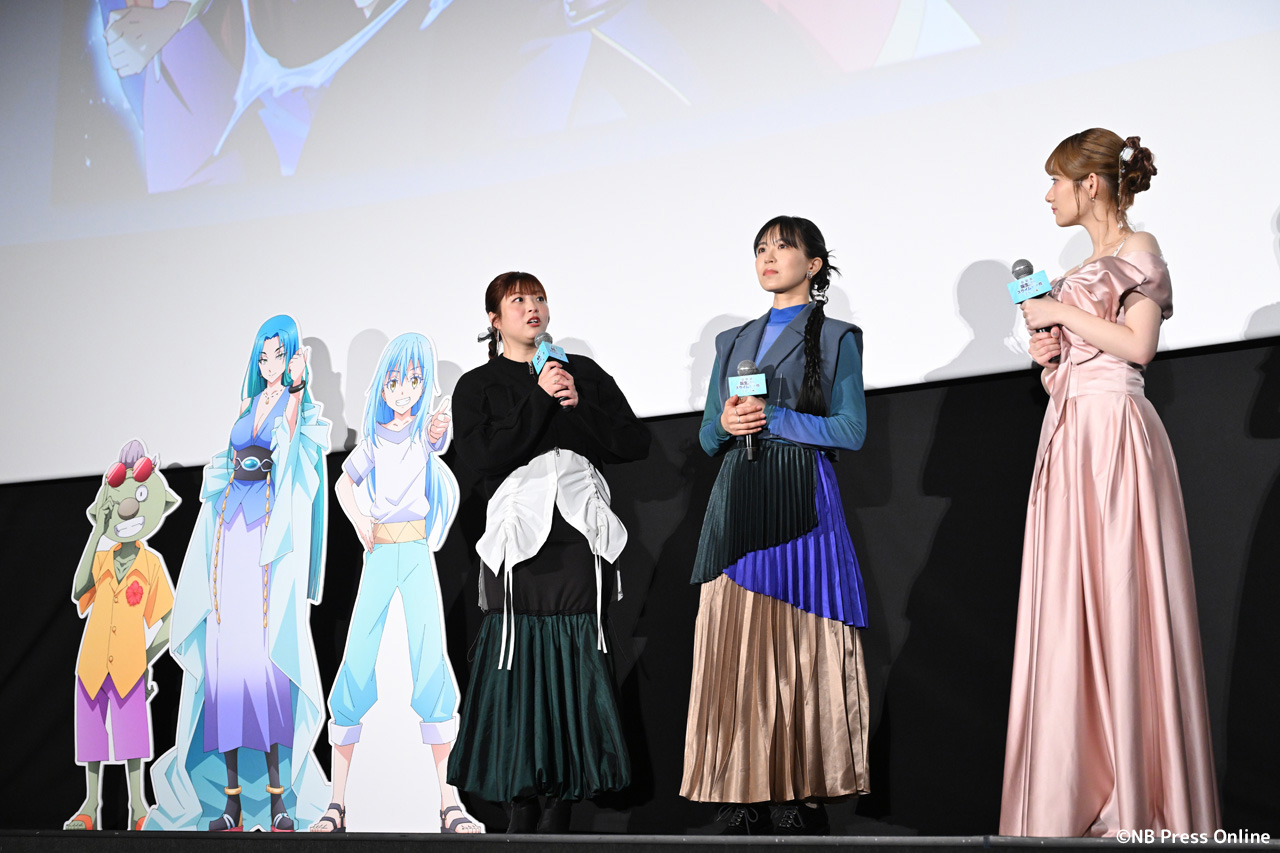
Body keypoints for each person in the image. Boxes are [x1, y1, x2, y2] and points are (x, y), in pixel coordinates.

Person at [1000, 129, 1220, 837]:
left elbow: (1138, 347)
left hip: (1117, 435)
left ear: (1090, 184)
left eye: (1056, 181)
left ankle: (1139, 800)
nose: (1048, 195)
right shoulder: (1079, 268)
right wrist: (1050, 360)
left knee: (1124, 596)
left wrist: (1061, 314)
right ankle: (1078, 791)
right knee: (1072, 603)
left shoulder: (1138, 250)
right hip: (1070, 435)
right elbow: (1074, 367)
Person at [682, 216, 869, 836]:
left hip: (800, 497)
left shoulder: (837, 336)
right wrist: (726, 426)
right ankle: (741, 788)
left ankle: (797, 787)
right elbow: (708, 435)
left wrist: (776, 418)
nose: (768, 256)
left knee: (798, 644)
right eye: (761, 248)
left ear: (813, 265)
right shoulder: (732, 340)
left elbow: (850, 431)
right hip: (738, 495)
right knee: (736, 645)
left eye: (782, 247)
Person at [446, 272, 650, 833]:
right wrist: (538, 398)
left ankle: (563, 800)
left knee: (574, 661)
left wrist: (577, 404)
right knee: (518, 663)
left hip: (578, 539)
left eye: (538, 298)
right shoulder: (478, 385)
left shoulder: (580, 372)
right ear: (494, 320)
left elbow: (634, 443)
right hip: (518, 540)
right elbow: (481, 458)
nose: (532, 307)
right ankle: (520, 800)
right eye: (518, 300)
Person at [147, 315, 331, 832]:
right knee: (225, 664)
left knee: (264, 663)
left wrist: (298, 386)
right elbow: (230, 461)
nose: (269, 364)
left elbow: (291, 442)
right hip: (229, 533)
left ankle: (278, 800)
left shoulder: (293, 403)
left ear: (291, 357)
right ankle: (230, 804)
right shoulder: (248, 406)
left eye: (278, 355)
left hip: (265, 534)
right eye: (264, 356)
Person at [311, 332, 481, 834]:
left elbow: (435, 438)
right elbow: (344, 482)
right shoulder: (373, 442)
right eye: (394, 381)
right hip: (382, 553)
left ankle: (448, 801)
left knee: (430, 662)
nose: (403, 390)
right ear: (382, 387)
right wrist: (361, 521)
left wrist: (438, 425)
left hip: (416, 553)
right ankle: (337, 803)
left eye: (413, 380)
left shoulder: (423, 433)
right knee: (357, 657)